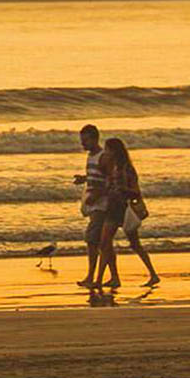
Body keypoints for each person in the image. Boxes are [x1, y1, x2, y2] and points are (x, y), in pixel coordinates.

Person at [94, 137, 161, 289]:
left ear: (114, 151)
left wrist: (123, 190)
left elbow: (136, 191)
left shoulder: (126, 169)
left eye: (108, 149)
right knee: (106, 243)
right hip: (113, 207)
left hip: (122, 208)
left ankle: (152, 274)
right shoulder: (111, 167)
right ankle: (109, 278)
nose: (106, 152)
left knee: (131, 244)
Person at [74, 124, 111, 289]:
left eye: (85, 141)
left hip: (101, 205)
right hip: (93, 202)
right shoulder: (91, 156)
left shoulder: (104, 157)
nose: (82, 144)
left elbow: (111, 181)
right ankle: (113, 276)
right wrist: (84, 179)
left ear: (94, 139)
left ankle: (91, 275)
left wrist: (97, 195)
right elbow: (96, 176)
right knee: (103, 243)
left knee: (92, 240)